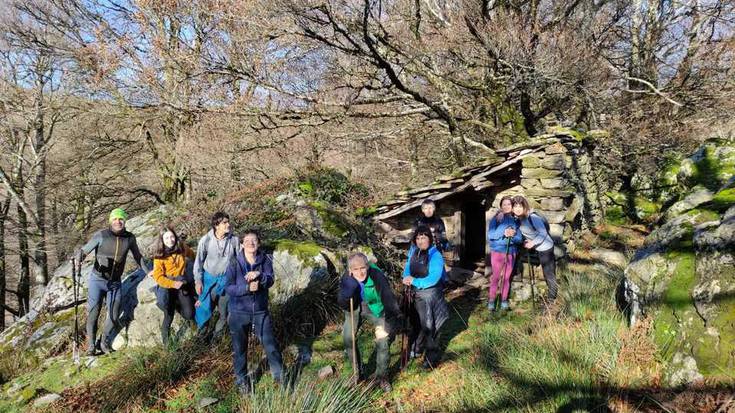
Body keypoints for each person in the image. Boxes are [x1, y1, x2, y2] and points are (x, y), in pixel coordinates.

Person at [76, 208, 150, 355]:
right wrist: (78, 257)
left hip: (115, 283)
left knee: (114, 315)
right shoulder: (101, 235)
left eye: (121, 219)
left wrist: (149, 272)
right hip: (97, 281)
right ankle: (91, 346)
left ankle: (103, 342)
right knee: (93, 313)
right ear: (111, 221)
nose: (118, 221)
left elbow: (138, 257)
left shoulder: (129, 238)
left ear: (124, 221)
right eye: (115, 219)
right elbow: (84, 251)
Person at [224, 230, 283, 396]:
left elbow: (270, 280)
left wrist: (260, 276)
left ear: (259, 243)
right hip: (238, 313)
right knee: (239, 349)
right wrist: (246, 288)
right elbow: (228, 287)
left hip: (260, 312)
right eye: (247, 240)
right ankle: (242, 381)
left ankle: (279, 377)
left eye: (254, 240)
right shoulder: (235, 262)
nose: (251, 243)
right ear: (242, 244)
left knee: (270, 345)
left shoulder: (265, 260)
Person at [338, 252, 402, 393]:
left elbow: (388, 298)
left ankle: (382, 376)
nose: (360, 272)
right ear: (350, 270)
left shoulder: (377, 275)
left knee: (383, 340)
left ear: (367, 266)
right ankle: (357, 373)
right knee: (348, 338)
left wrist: (390, 320)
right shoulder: (346, 278)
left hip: (375, 308)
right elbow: (342, 303)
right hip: (354, 308)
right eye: (356, 269)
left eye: (363, 268)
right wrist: (346, 294)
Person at [402, 226, 449, 369]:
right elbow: (407, 269)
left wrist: (414, 281)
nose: (420, 241)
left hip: (431, 295)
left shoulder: (435, 255)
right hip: (415, 294)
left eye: (423, 238)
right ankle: (416, 348)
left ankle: (431, 358)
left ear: (429, 238)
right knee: (416, 323)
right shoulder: (413, 252)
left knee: (429, 326)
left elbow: (433, 278)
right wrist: (406, 278)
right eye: (417, 238)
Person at [194, 212, 239, 335]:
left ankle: (216, 340)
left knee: (224, 314)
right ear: (216, 225)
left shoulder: (234, 240)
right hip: (208, 282)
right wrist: (198, 281)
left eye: (228, 221)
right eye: (224, 222)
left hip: (226, 282)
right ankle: (201, 341)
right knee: (203, 311)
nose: (228, 224)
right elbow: (198, 262)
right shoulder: (206, 240)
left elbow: (240, 261)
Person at [150, 225, 196, 345]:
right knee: (168, 314)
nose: (170, 240)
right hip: (168, 286)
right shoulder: (159, 256)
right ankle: (167, 344)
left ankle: (177, 304)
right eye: (166, 238)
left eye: (172, 237)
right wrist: (172, 283)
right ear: (162, 240)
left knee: (189, 315)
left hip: (181, 284)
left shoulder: (182, 248)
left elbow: (192, 255)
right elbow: (158, 277)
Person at [511, 195, 558, 307]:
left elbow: (543, 233)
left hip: (545, 247)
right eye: (515, 206)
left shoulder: (533, 218)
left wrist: (532, 243)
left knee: (549, 273)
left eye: (520, 206)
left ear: (525, 207)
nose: (517, 209)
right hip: (537, 247)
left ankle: (552, 300)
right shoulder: (518, 219)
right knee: (547, 273)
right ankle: (551, 297)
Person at [486, 196, 523, 312]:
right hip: (497, 252)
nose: (506, 206)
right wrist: (504, 231)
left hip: (511, 252)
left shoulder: (516, 220)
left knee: (507, 278)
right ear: (501, 206)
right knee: (496, 277)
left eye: (509, 204)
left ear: (512, 207)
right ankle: (491, 301)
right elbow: (491, 236)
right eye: (504, 204)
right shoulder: (496, 219)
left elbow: (519, 239)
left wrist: (513, 235)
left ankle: (504, 300)